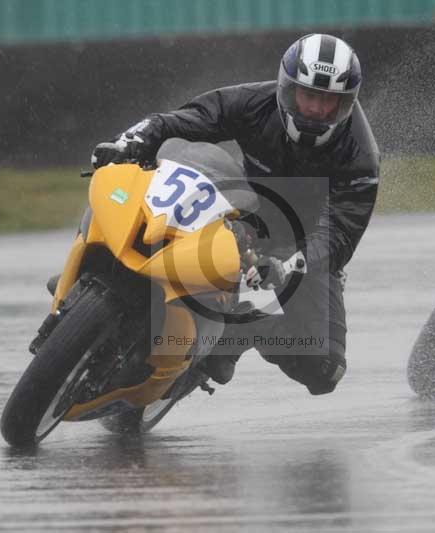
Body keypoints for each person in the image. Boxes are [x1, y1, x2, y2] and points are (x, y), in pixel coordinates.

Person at [91, 33, 380, 395]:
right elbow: (186, 120)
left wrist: (292, 264)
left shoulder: (361, 158)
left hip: (301, 248)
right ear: (288, 89)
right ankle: (98, 269)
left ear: (348, 104)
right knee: (138, 187)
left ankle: (236, 334)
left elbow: (340, 234)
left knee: (324, 369)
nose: (317, 111)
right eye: (309, 96)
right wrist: (131, 142)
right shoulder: (254, 102)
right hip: (239, 212)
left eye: (330, 102)